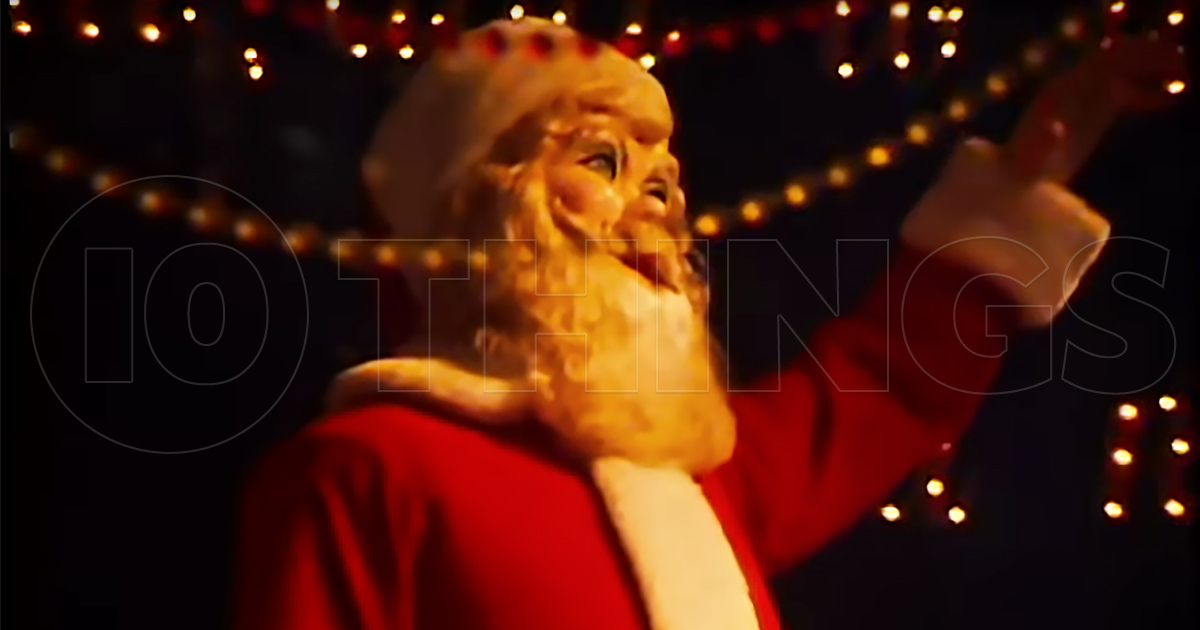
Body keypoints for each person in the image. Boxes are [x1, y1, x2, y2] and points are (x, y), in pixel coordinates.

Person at [232, 18, 1183, 630]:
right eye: (602, 163)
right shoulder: (369, 471)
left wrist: (1029, 175)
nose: (654, 207)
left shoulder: (693, 477)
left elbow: (884, 381)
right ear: (475, 211)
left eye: (663, 180)